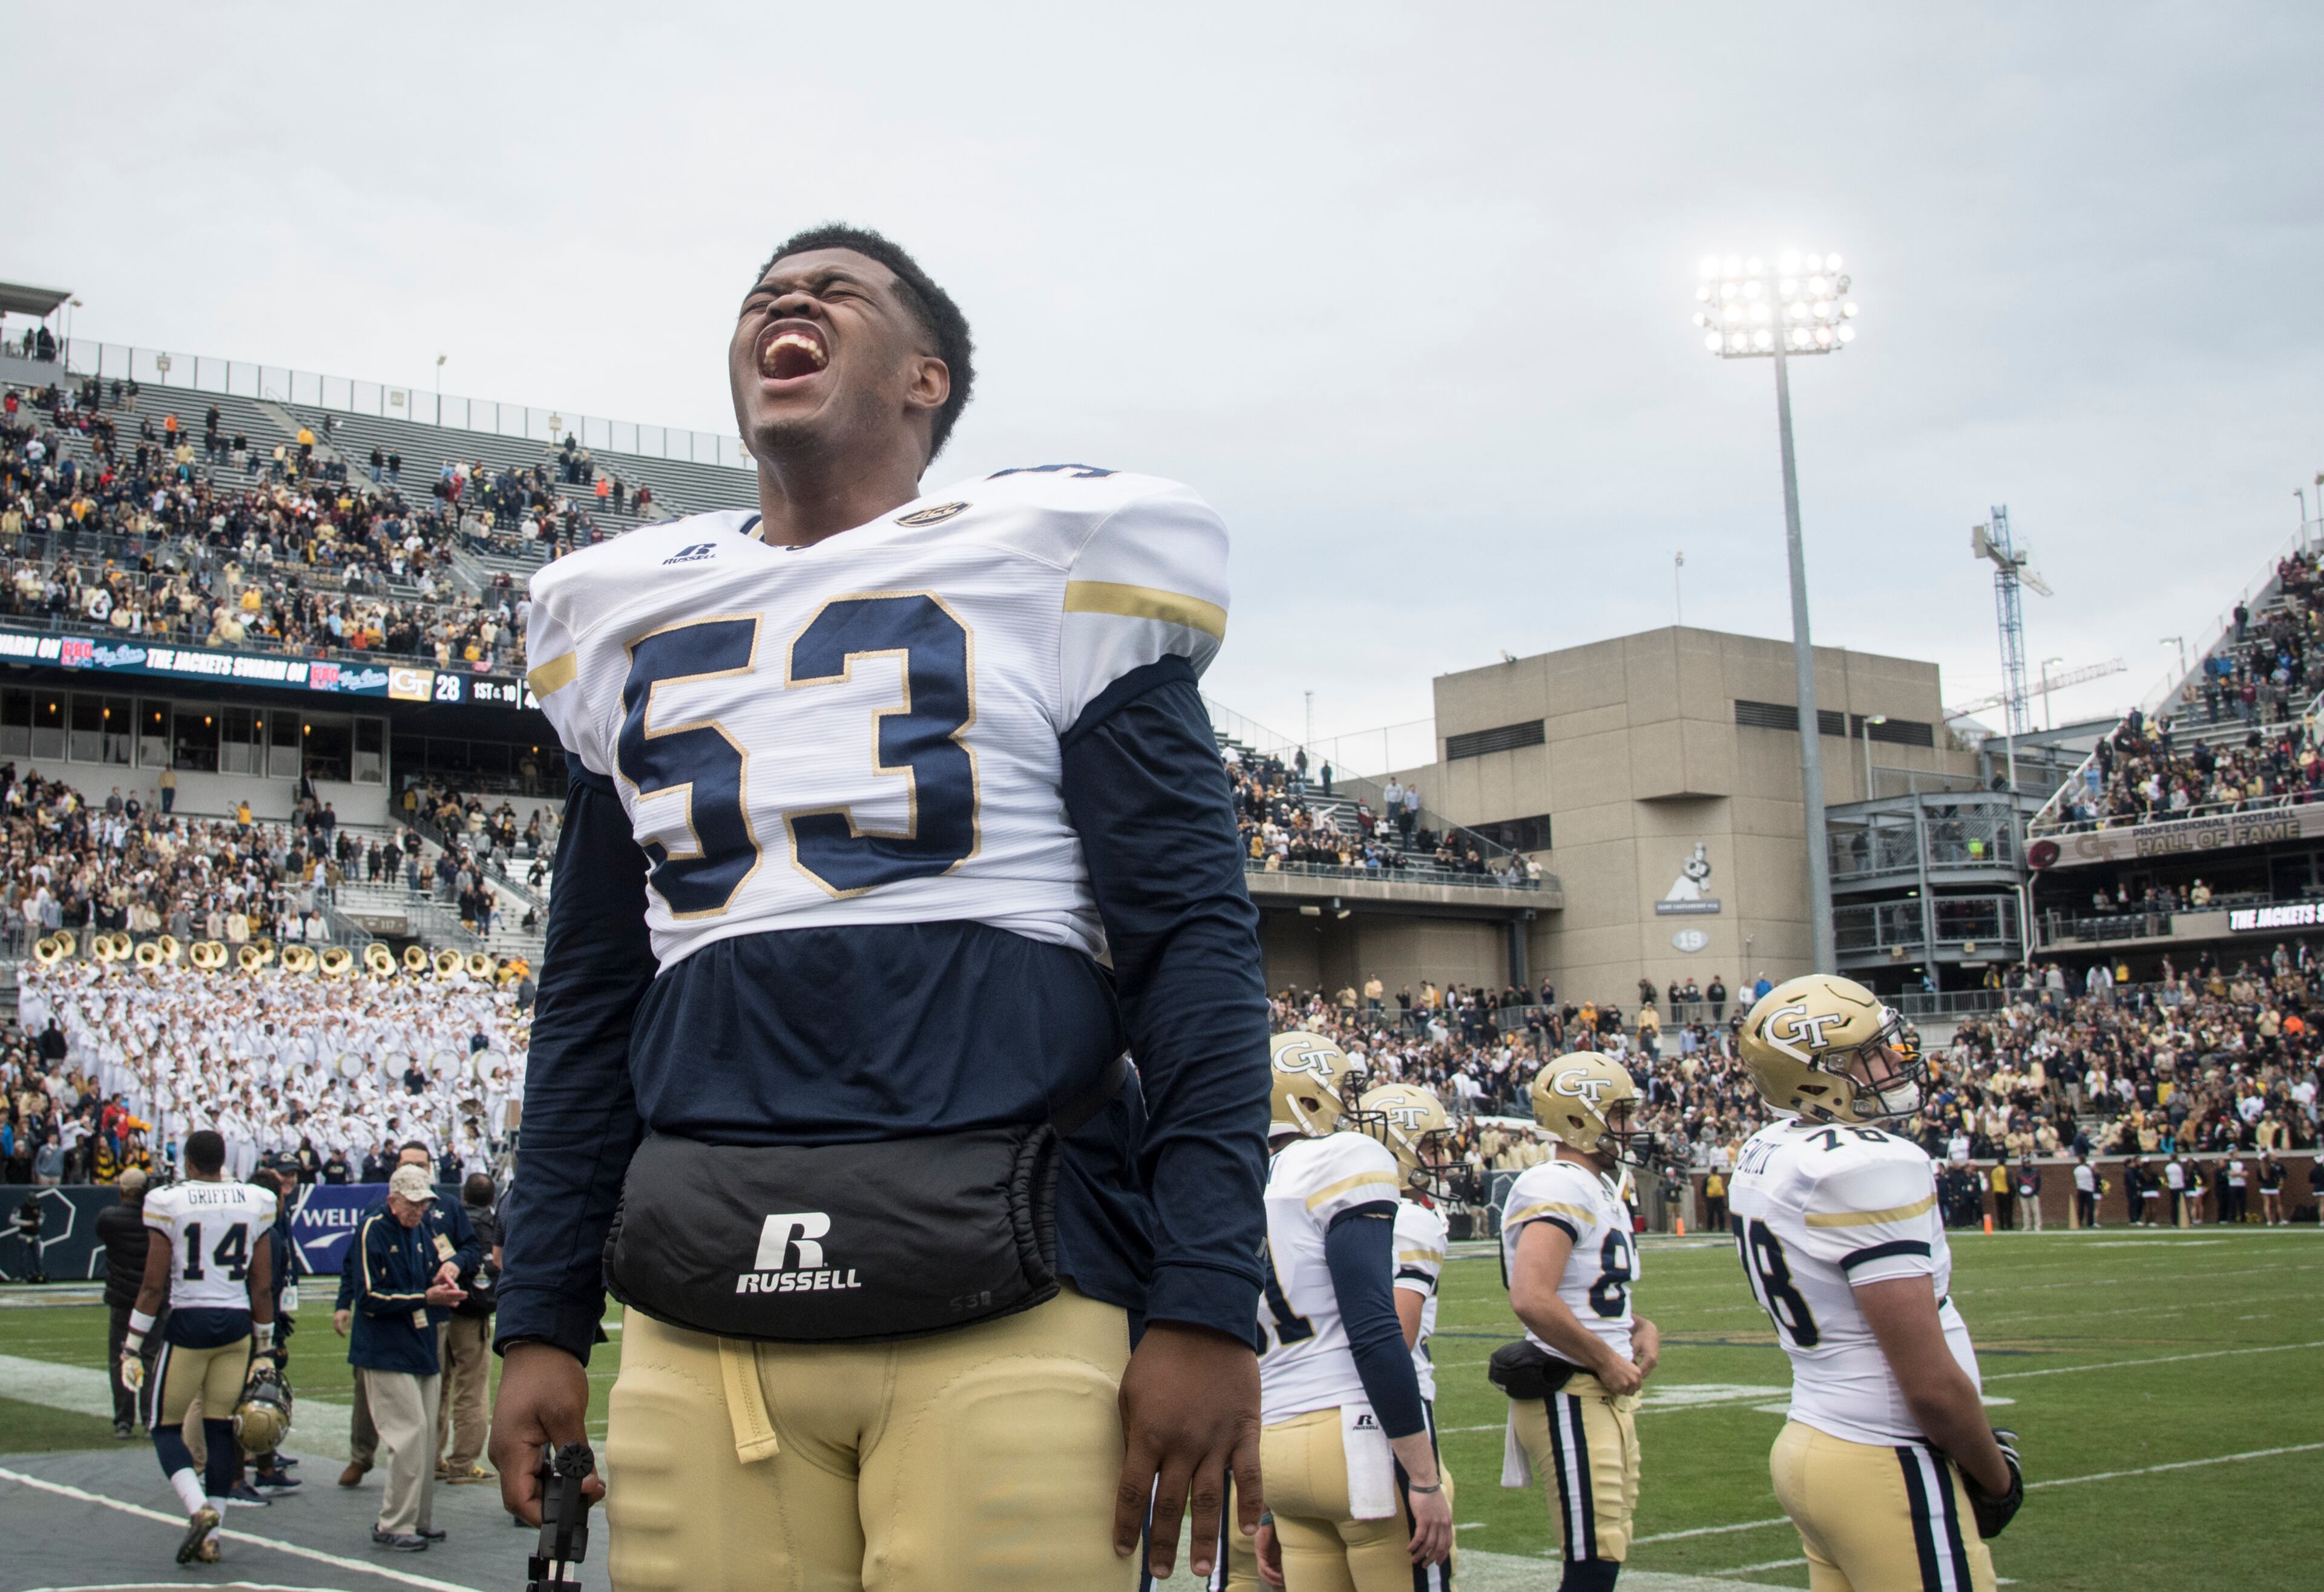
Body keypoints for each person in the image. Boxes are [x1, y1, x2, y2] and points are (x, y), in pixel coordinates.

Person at [491, 224, 1270, 1590]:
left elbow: (1190, 944)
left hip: (1013, 1269)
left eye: (836, 291)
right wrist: (540, 1314)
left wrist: (1208, 1298)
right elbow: (592, 995)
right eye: (765, 294)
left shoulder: (1050, 556)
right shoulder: (617, 611)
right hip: (700, 1286)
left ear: (926, 380)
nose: (788, 300)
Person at [1731, 976, 2022, 1592]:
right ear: (1817, 1073)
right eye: (1870, 1051)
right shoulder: (1870, 1162)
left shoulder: (1769, 1148)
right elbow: (1930, 1383)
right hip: (1884, 1453)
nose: (1895, 1061)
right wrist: (1996, 1475)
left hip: (1813, 1437)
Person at [1228, 1036, 1452, 1591]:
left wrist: (1267, 1509)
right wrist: (1423, 1480)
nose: (1352, 1107)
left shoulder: (1239, 1179)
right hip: (1353, 1435)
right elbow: (1375, 1330)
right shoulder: (1342, 1159)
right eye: (1343, 1091)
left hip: (1274, 1443)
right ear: (1307, 1099)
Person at [1498, 1052, 1660, 1591]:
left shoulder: (1595, 1186)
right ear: (1579, 1118)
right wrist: (1605, 1356)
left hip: (1595, 1391)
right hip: (1571, 1390)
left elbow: (1584, 1291)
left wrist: (1634, 1326)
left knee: (1605, 1552)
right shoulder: (1558, 1184)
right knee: (1592, 1565)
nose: (1632, 1128)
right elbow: (1532, 1298)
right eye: (1620, 1115)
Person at [120, 1128, 278, 1568]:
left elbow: (153, 1286)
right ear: (223, 1161)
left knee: (164, 1426)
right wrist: (265, 1349)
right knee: (220, 1427)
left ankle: (198, 1508)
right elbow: (262, 1287)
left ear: (188, 1162)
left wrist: (132, 1344)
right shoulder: (256, 1200)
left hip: (190, 1320)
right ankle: (215, 1536)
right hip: (236, 1323)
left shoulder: (168, 1200)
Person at [349, 1165, 467, 1551]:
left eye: (424, 1203)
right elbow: (368, 1296)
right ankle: (394, 1522)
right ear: (393, 1200)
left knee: (427, 1434)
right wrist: (424, 1297)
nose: (419, 1210)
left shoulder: (422, 1230)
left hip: (420, 1343)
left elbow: (427, 1275)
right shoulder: (373, 1229)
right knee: (409, 1433)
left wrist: (439, 1281)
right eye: (413, 1203)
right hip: (385, 1348)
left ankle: (419, 1518)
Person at [436, 1173, 499, 1485]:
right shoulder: (488, 1223)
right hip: (470, 1313)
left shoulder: (447, 1217)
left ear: (463, 1197)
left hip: (438, 1305)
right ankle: (462, 1462)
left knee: (437, 1385)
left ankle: (431, 1457)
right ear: (491, 1199)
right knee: (471, 1388)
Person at [96, 1167, 162, 1438]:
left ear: (122, 1190)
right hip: (153, 1298)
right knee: (149, 1358)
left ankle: (124, 1420)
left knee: (120, 1358)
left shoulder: (109, 1219)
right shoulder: (154, 1219)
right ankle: (150, 1419)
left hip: (123, 1298)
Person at [2257, 1151, 2287, 1225]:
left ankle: (2269, 1221)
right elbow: (2278, 1177)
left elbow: (2259, 1179)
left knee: (2267, 1204)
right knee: (2278, 1204)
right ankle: (2282, 1220)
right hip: (2273, 1187)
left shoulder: (2260, 1168)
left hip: (2265, 1187)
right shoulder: (2273, 1168)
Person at [2014, 1158, 2041, 1233]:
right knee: (2026, 1212)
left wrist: (2036, 1192)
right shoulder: (2020, 1172)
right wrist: (2020, 1192)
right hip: (2023, 1195)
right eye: (2026, 1163)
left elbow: (2038, 1183)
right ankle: (2027, 1226)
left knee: (2036, 1211)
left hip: (2033, 1194)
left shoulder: (2035, 1172)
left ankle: (2038, 1226)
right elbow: (2018, 1183)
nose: (2028, 1165)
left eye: (2028, 1163)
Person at [2073, 1156, 2098, 1230]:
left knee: (2081, 1207)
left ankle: (2079, 1222)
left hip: (2080, 1189)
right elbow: (2093, 1177)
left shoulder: (2077, 1169)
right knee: (2090, 1207)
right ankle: (2090, 1223)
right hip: (2089, 1189)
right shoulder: (2088, 1169)